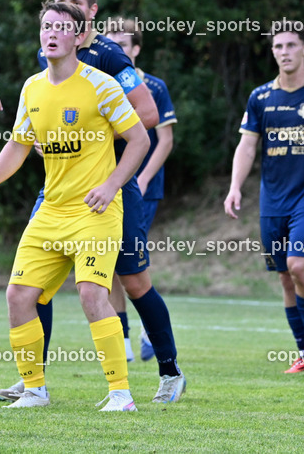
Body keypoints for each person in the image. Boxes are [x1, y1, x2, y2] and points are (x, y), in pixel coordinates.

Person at [0, 0, 186, 405]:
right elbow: (26, 136)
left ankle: (168, 371)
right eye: (55, 10)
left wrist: (93, 149)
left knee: (132, 282)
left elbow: (146, 117)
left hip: (110, 186)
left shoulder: (109, 58)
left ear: (89, 16)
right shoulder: (43, 71)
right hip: (59, 193)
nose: (60, 19)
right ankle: (33, 383)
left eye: (73, 8)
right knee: (31, 286)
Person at [0, 1, 149, 412]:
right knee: (18, 295)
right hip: (51, 211)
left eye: (61, 27)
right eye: (46, 27)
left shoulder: (101, 85)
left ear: (78, 36)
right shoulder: (33, 88)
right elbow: (18, 146)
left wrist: (111, 185)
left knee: (91, 293)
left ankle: (120, 394)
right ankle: (34, 390)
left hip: (95, 212)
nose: (51, 33)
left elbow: (140, 139)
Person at [223, 26, 304, 374]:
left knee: (299, 266)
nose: (284, 51)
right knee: (284, 276)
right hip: (273, 202)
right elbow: (247, 145)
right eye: (278, 46)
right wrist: (235, 187)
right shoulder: (261, 97)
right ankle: (302, 352)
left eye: (291, 45)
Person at [104, 18, 177, 363]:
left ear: (136, 48)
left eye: (124, 44)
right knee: (111, 266)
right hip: (104, 182)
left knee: (130, 266)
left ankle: (150, 333)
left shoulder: (153, 87)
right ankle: (127, 343)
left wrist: (145, 175)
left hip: (140, 185)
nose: (116, 49)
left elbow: (164, 140)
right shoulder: (100, 81)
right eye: (111, 42)